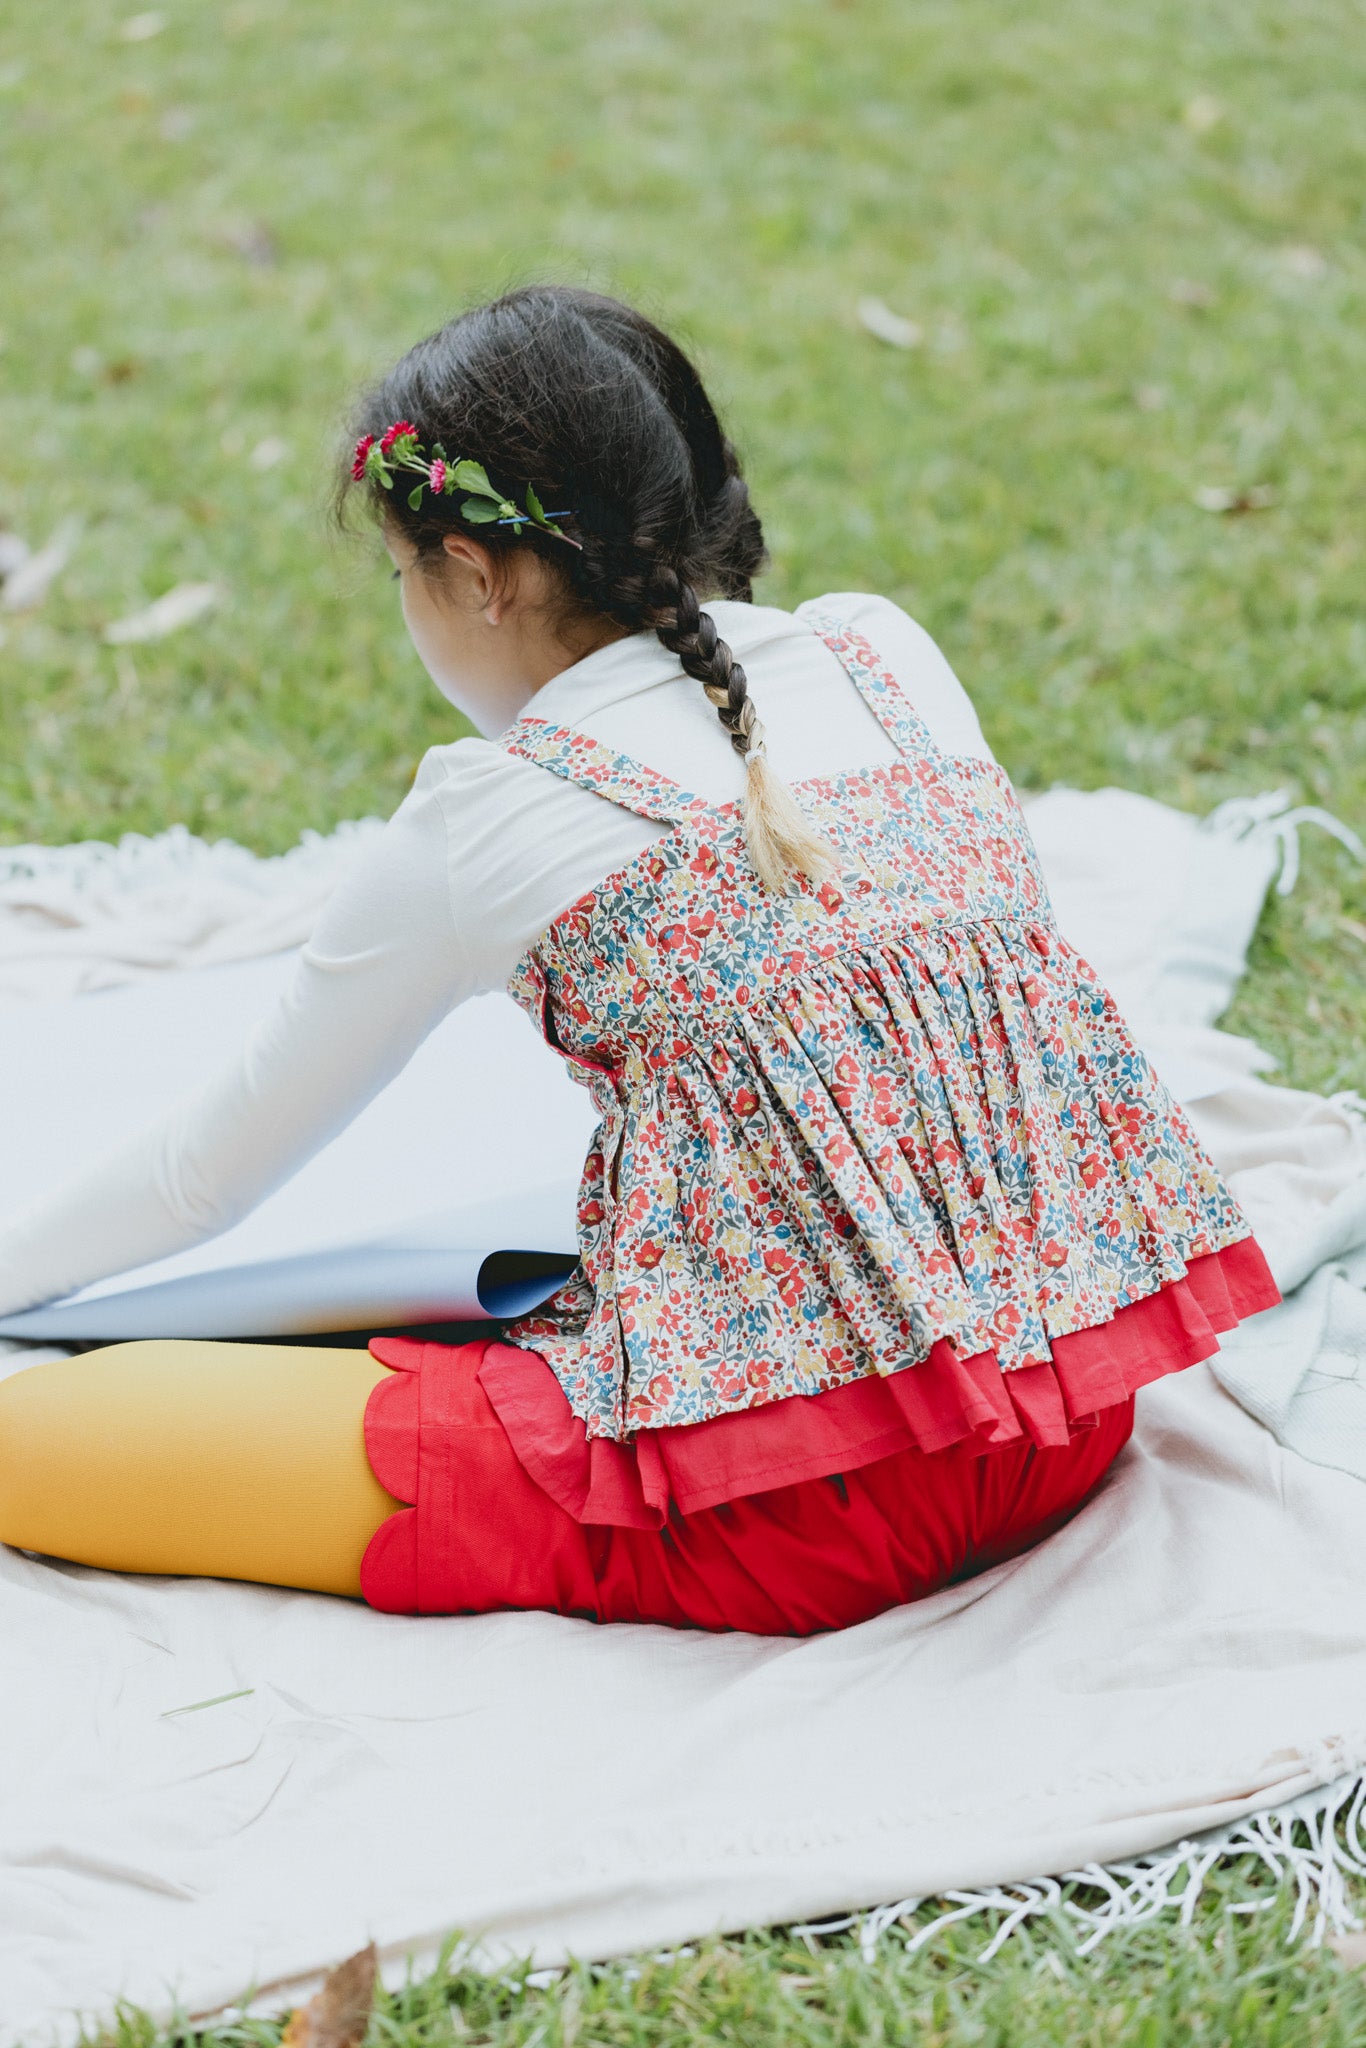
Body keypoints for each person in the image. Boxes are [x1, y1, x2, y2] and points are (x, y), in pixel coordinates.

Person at [0, 287, 1279, 1633]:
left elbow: (201, 1178)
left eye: (402, 575)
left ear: (473, 571)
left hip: (789, 1501)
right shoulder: (880, 652)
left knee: (51, 1437)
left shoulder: (488, 808)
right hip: (1061, 1412)